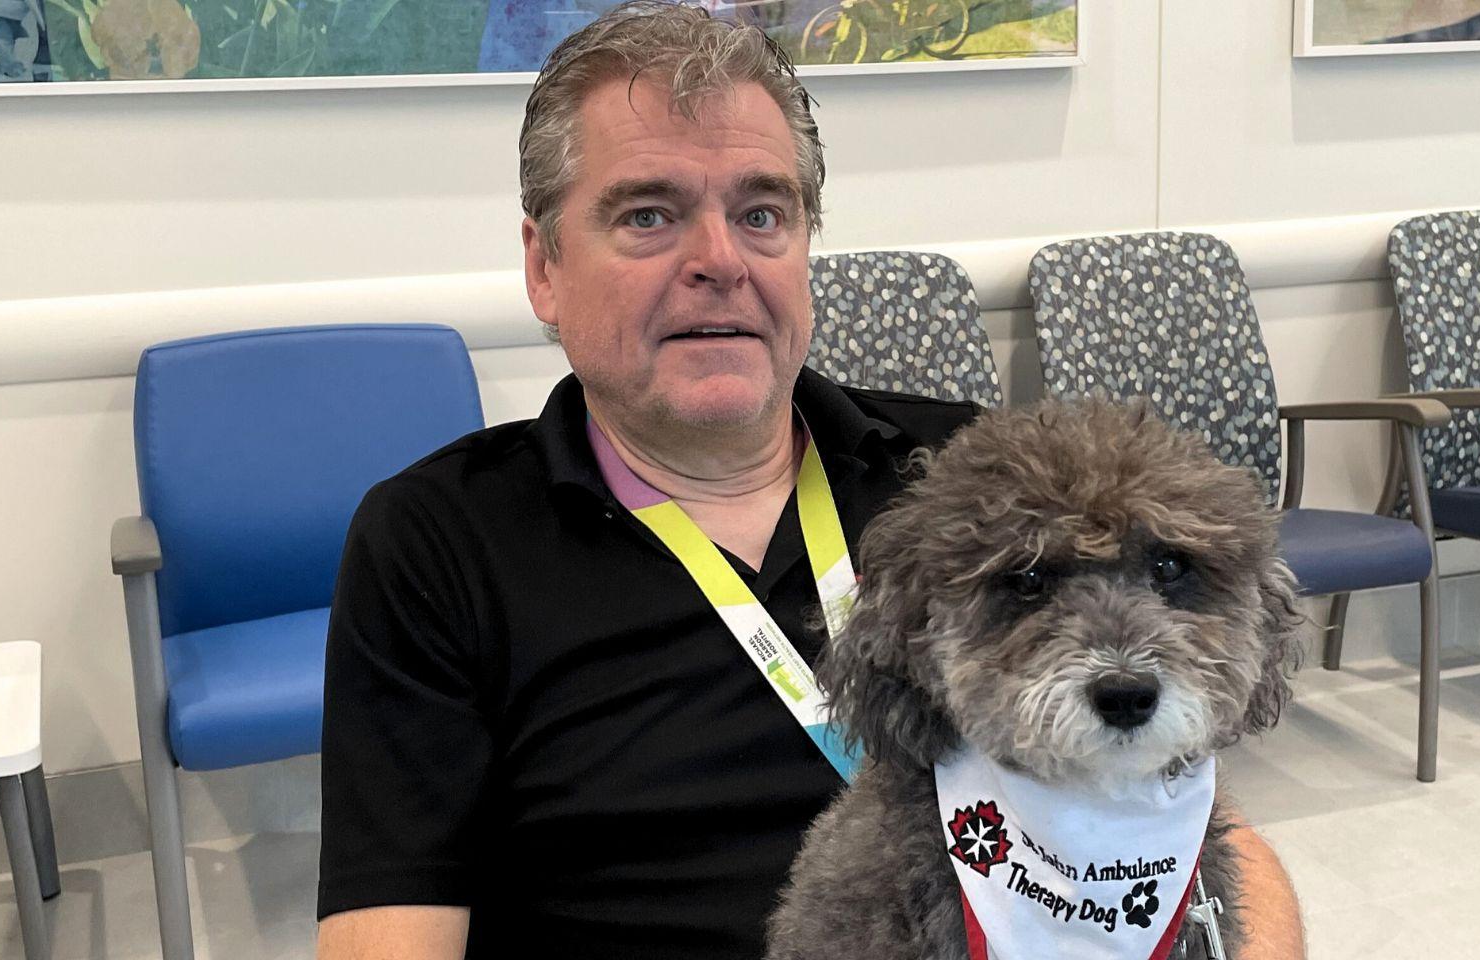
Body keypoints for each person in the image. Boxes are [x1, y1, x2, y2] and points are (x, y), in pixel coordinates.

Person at [314, 4, 1306, 958]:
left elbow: (1189, 821)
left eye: (762, 212)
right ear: (545, 267)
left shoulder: (977, 486)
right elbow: (388, 923)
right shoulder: (437, 540)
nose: (719, 261)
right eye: (649, 214)